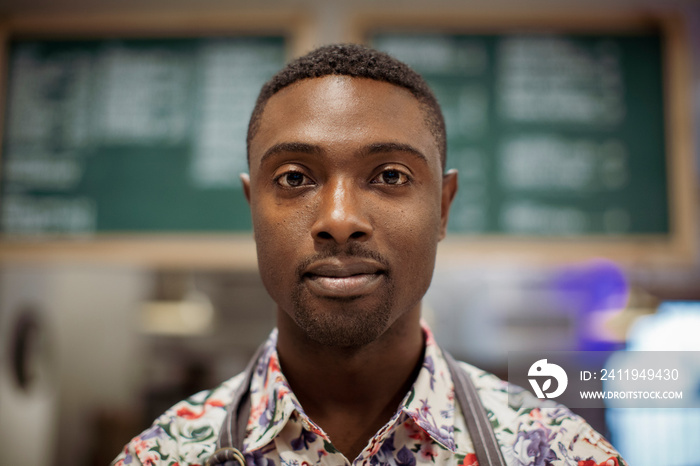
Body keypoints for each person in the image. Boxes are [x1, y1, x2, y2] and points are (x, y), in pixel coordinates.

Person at [113, 44, 627, 466]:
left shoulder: (563, 452)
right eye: (294, 178)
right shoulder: (163, 456)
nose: (339, 220)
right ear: (253, 209)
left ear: (443, 208)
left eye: (390, 176)